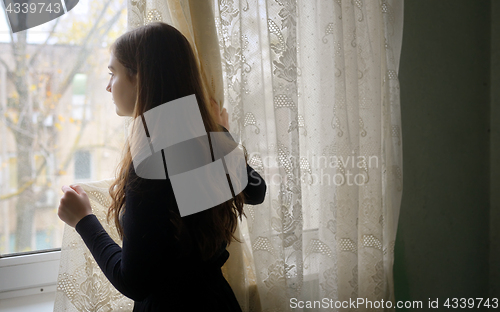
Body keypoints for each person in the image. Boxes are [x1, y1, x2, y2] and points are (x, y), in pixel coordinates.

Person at [57, 22, 266, 312]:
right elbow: (256, 190)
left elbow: (135, 282)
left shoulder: (151, 162)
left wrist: (83, 220)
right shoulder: (198, 141)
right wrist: (220, 134)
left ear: (140, 78)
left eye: (112, 73)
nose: (108, 86)